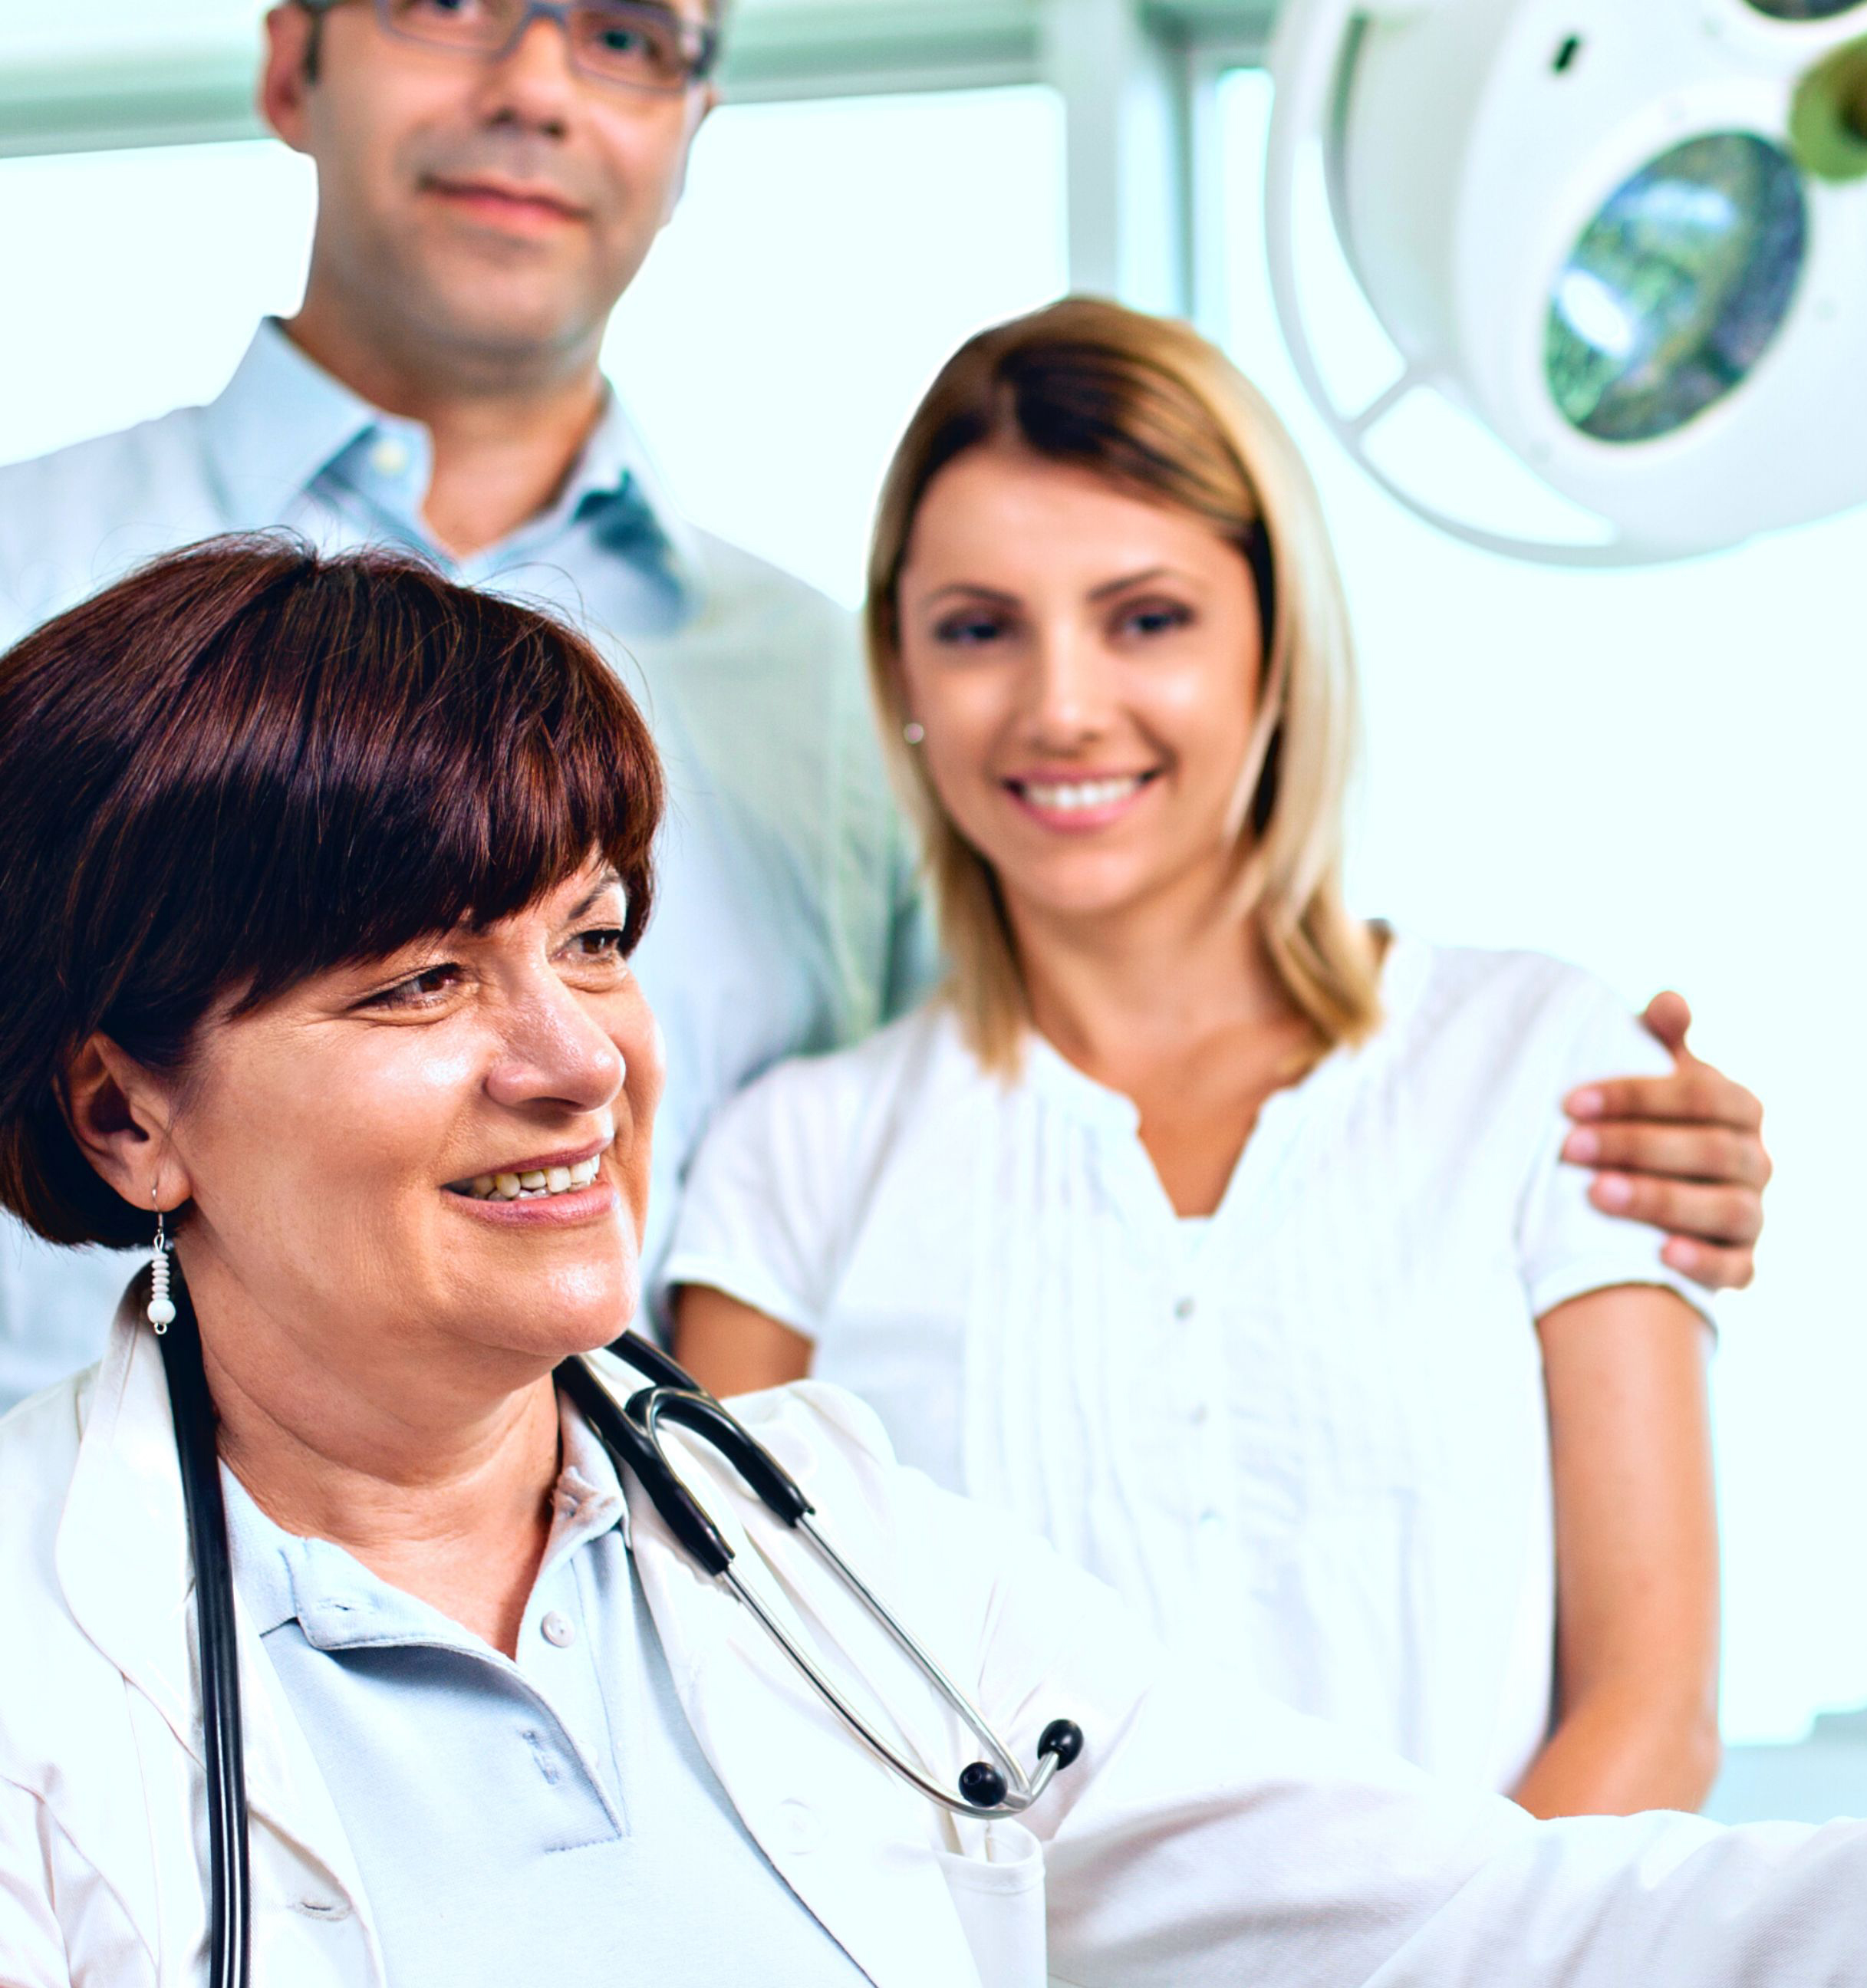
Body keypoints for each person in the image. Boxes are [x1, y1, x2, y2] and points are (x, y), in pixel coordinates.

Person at [0, 540, 1867, 1987]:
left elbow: (1479, 1928)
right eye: (421, 986)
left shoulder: (832, 1558)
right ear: (127, 1110)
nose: (571, 1062)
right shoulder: (39, 1638)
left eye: (596, 943)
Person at [0, 0, 1770, 1408]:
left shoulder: (835, 708)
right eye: (452, 3)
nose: (538, 85)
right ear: (292, 58)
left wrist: (1546, 1134)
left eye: (626, 33)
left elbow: (1042, 1120)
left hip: (616, 1712)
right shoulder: (24, 588)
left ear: (694, 133)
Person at [661, 301, 1714, 1815]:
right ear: (898, 665)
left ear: (1274, 643)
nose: (1061, 707)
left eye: (1145, 619)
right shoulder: (793, 1166)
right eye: (978, 630)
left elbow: (1649, 1719)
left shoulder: (1544, 1070)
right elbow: (750, 1744)